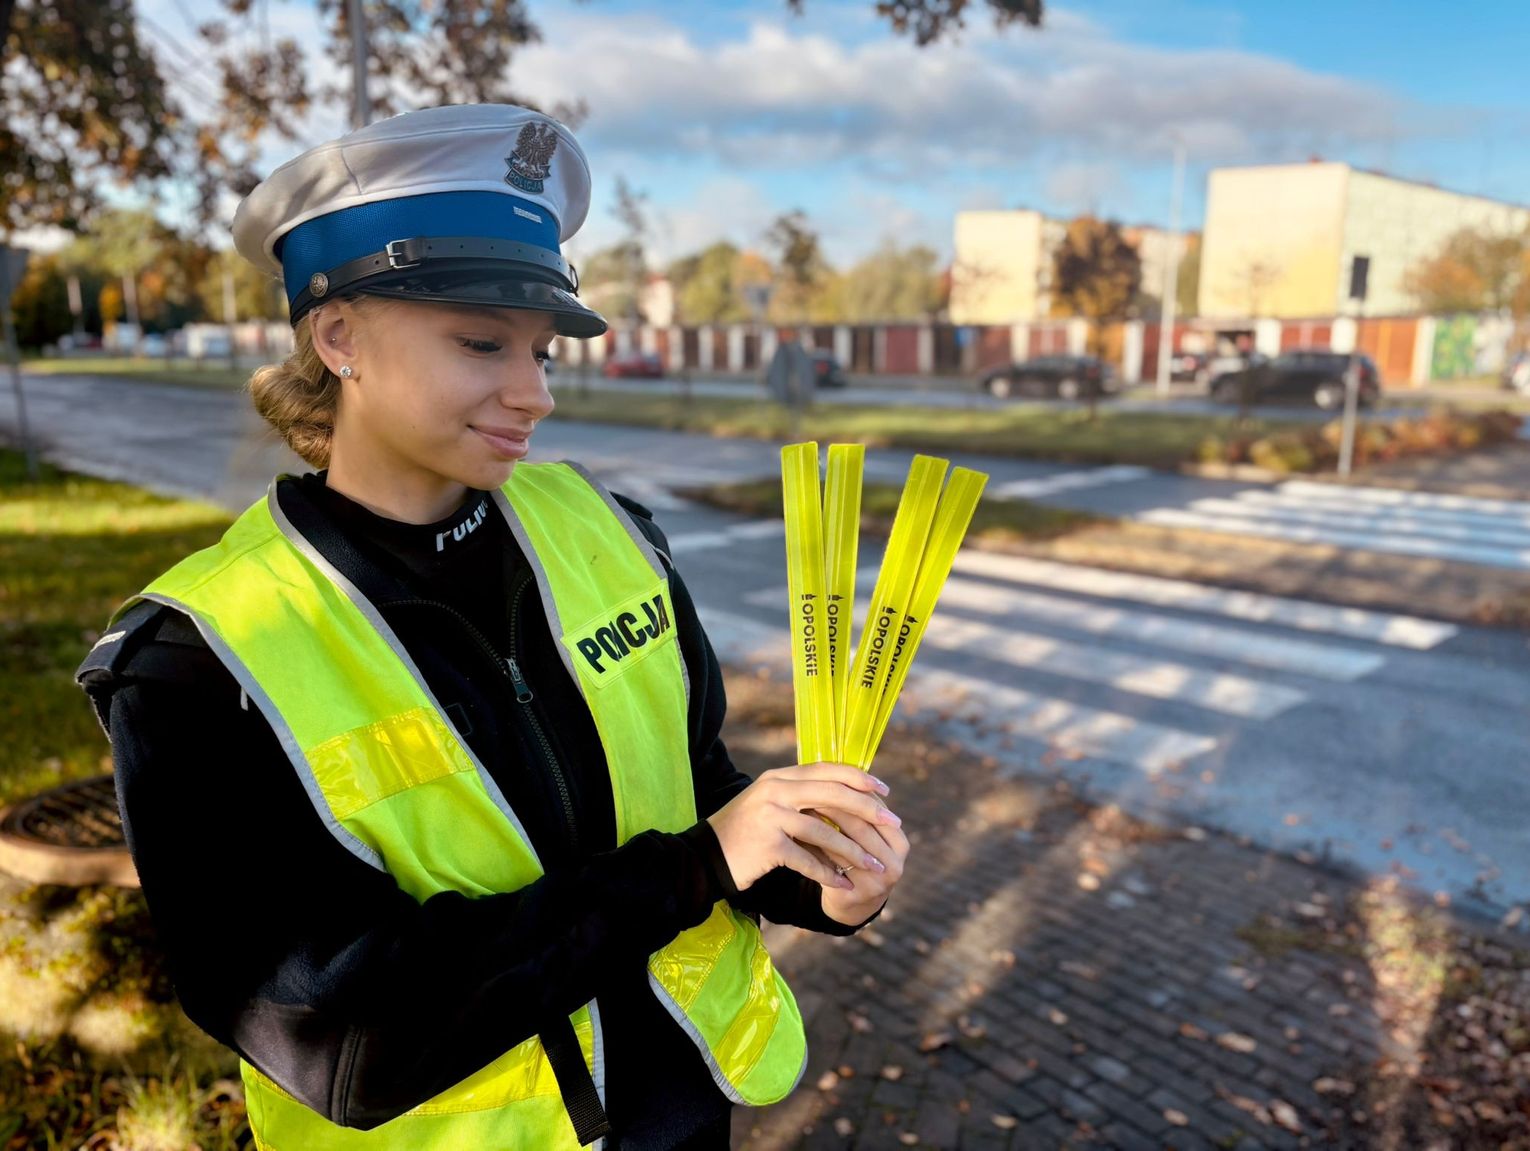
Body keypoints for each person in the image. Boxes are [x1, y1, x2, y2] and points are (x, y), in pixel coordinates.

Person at [75, 104, 909, 1151]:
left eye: (543, 351)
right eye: (482, 342)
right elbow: (330, 1029)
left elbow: (699, 788)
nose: (535, 392)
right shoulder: (196, 661)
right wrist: (695, 866)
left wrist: (817, 874)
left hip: (689, 1116)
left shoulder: (611, 533)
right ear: (338, 338)